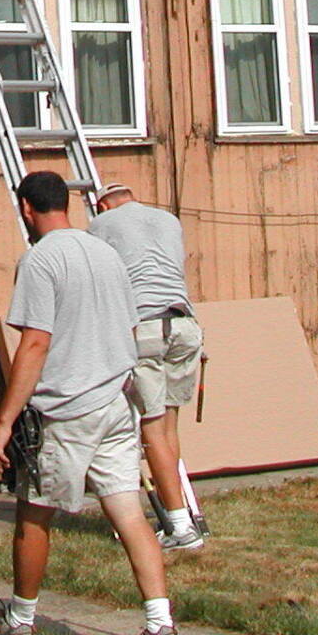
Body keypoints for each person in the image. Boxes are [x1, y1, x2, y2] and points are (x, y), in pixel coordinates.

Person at [0, 171, 185, 635]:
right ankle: (162, 627)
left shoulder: (41, 260)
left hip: (66, 411)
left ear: (27, 208)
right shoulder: (105, 252)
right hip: (115, 404)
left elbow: (35, 343)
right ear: (65, 205)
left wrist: (4, 422)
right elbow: (129, 324)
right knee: (130, 514)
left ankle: (20, 623)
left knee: (33, 516)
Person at [89, 184, 206, 550]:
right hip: (184, 325)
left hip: (146, 329)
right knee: (168, 429)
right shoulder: (167, 220)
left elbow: (102, 281)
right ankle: (182, 514)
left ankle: (180, 528)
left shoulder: (101, 225)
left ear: (101, 205)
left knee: (151, 433)